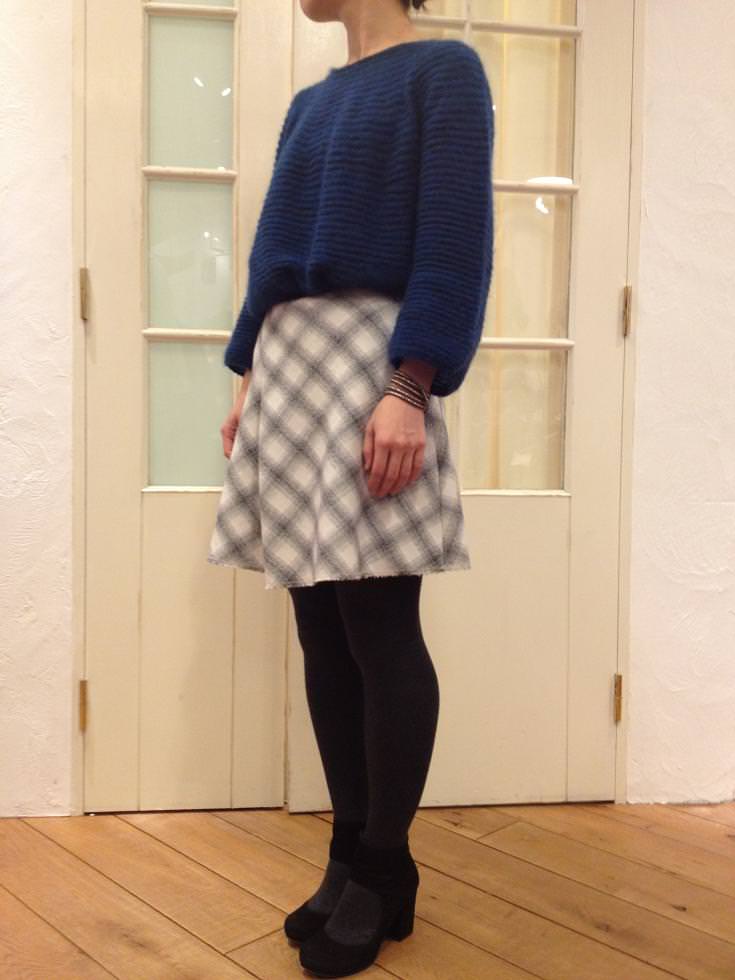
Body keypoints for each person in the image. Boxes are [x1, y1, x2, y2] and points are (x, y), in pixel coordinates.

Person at [208, 0, 494, 974]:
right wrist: (249, 379)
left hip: (370, 370)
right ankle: (350, 855)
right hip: (292, 371)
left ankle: (383, 863)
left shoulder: (443, 73)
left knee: (378, 624)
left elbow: (453, 241)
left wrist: (410, 386)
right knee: (320, 629)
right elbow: (271, 257)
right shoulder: (311, 102)